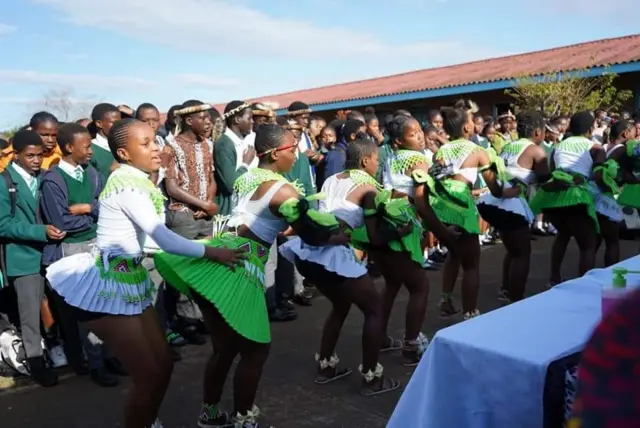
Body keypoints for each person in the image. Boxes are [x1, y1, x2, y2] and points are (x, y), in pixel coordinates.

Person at [45, 118, 244, 428]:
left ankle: (148, 421)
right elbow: (161, 237)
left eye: (156, 140)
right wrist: (213, 252)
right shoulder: (126, 185)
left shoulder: (138, 180)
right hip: (109, 284)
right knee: (149, 373)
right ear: (124, 153)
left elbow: (150, 242)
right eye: (147, 143)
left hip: (132, 279)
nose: (157, 148)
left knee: (162, 364)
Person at [155, 124, 340, 427]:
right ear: (273, 153)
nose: (296, 155)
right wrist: (336, 236)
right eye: (291, 150)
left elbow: (261, 222)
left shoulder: (249, 177)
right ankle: (244, 419)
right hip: (239, 265)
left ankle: (210, 413)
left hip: (218, 256)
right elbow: (312, 236)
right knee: (255, 350)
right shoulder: (284, 189)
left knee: (225, 348)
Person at [280, 139, 402, 395]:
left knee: (340, 305)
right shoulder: (368, 188)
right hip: (332, 255)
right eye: (377, 159)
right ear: (366, 160)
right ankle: (371, 378)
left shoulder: (332, 179)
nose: (378, 164)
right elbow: (375, 236)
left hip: (309, 253)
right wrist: (402, 230)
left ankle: (326, 366)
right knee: (374, 310)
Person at [40, 123, 122, 387]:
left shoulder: (92, 173)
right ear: (68, 147)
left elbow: (105, 206)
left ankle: (111, 356)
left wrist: (87, 208)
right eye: (85, 146)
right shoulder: (53, 179)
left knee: (107, 304)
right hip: (73, 251)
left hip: (97, 244)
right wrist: (93, 216)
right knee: (87, 311)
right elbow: (61, 222)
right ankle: (95, 363)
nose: (90, 151)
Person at [429, 106, 520, 319]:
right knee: (471, 264)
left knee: (453, 254)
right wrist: (508, 192)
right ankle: (470, 312)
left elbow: (439, 178)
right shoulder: (477, 150)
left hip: (442, 208)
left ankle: (446, 300)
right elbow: (494, 185)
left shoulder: (442, 150)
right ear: (467, 126)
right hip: (461, 206)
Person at [0, 130, 66, 386]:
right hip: (23, 256)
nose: (37, 160)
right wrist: (40, 231)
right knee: (30, 316)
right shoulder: (5, 183)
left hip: (51, 253)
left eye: (40, 155)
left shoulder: (46, 178)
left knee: (62, 308)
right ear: (15, 155)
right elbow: (3, 224)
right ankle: (36, 362)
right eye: (30, 156)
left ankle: (70, 352)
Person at [477, 111, 549, 302]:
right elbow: (546, 180)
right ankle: (516, 299)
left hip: (494, 201)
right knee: (522, 254)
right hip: (510, 203)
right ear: (537, 131)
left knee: (513, 250)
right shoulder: (536, 150)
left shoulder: (508, 146)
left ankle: (507, 289)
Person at [529, 111, 606, 285]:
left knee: (562, 236)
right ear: (591, 128)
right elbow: (600, 174)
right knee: (587, 245)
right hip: (577, 196)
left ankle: (554, 278)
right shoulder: (595, 147)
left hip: (554, 196)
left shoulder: (558, 146)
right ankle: (584, 284)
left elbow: (553, 171)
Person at [89, 103, 121, 181]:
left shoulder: (124, 145)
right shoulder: (90, 150)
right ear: (99, 124)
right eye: (114, 123)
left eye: (120, 122)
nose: (119, 126)